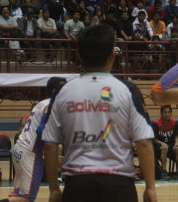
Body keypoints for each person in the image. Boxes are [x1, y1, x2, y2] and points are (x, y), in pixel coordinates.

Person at [42, 24, 157, 202]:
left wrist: (54, 190)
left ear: (79, 55)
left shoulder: (62, 92)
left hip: (77, 187)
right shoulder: (128, 90)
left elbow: (50, 145)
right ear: (113, 55)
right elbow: (143, 143)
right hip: (120, 187)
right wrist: (150, 188)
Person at [153, 105, 178, 181]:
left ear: (171, 113)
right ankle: (164, 172)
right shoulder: (156, 123)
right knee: (165, 147)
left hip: (171, 145)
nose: (167, 114)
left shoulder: (174, 123)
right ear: (161, 113)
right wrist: (162, 143)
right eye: (165, 112)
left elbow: (177, 135)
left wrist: (176, 143)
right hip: (159, 147)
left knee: (177, 148)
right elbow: (153, 139)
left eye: (168, 112)